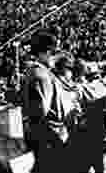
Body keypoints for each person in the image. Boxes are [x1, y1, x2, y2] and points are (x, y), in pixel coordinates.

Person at [21, 31, 69, 173]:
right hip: (48, 135)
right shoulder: (40, 74)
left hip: (44, 134)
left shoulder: (38, 72)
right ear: (47, 52)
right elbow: (41, 111)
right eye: (54, 54)